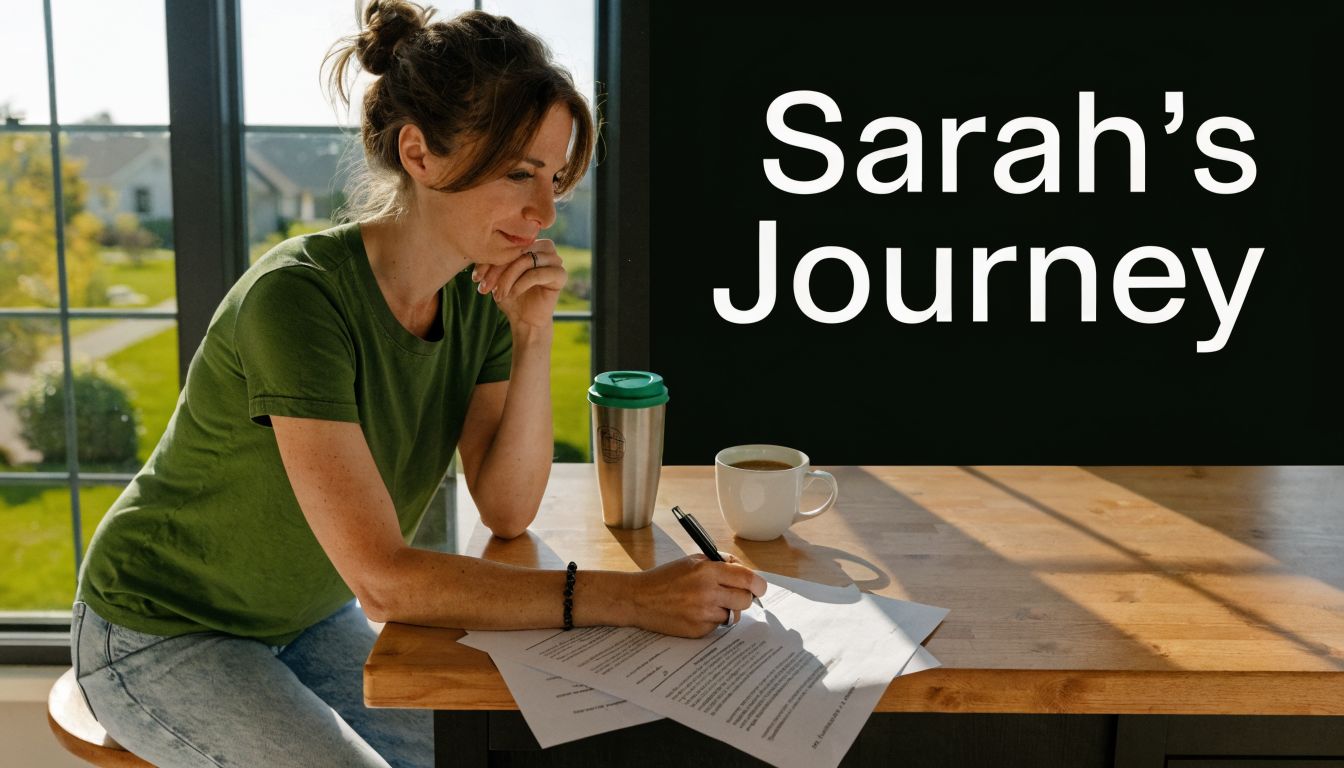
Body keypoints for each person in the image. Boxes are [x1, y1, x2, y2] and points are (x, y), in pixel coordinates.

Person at [69, 3, 766, 766]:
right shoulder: (298, 301)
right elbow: (387, 582)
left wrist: (533, 335)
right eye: (517, 171)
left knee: (483, 748)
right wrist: (632, 598)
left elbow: (505, 507)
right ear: (420, 153)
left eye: (555, 178)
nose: (544, 211)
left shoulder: (478, 300)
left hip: (301, 616)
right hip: (159, 628)